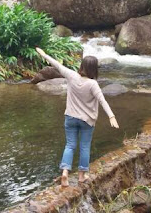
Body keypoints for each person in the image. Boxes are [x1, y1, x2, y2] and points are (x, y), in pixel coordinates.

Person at [36, 47, 119, 187]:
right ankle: (81, 176)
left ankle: (65, 173)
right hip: (87, 121)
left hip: (70, 118)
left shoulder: (71, 75)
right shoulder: (93, 84)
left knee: (70, 145)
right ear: (94, 70)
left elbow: (57, 65)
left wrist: (44, 54)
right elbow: (102, 100)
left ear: (81, 66)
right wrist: (111, 116)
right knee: (84, 147)